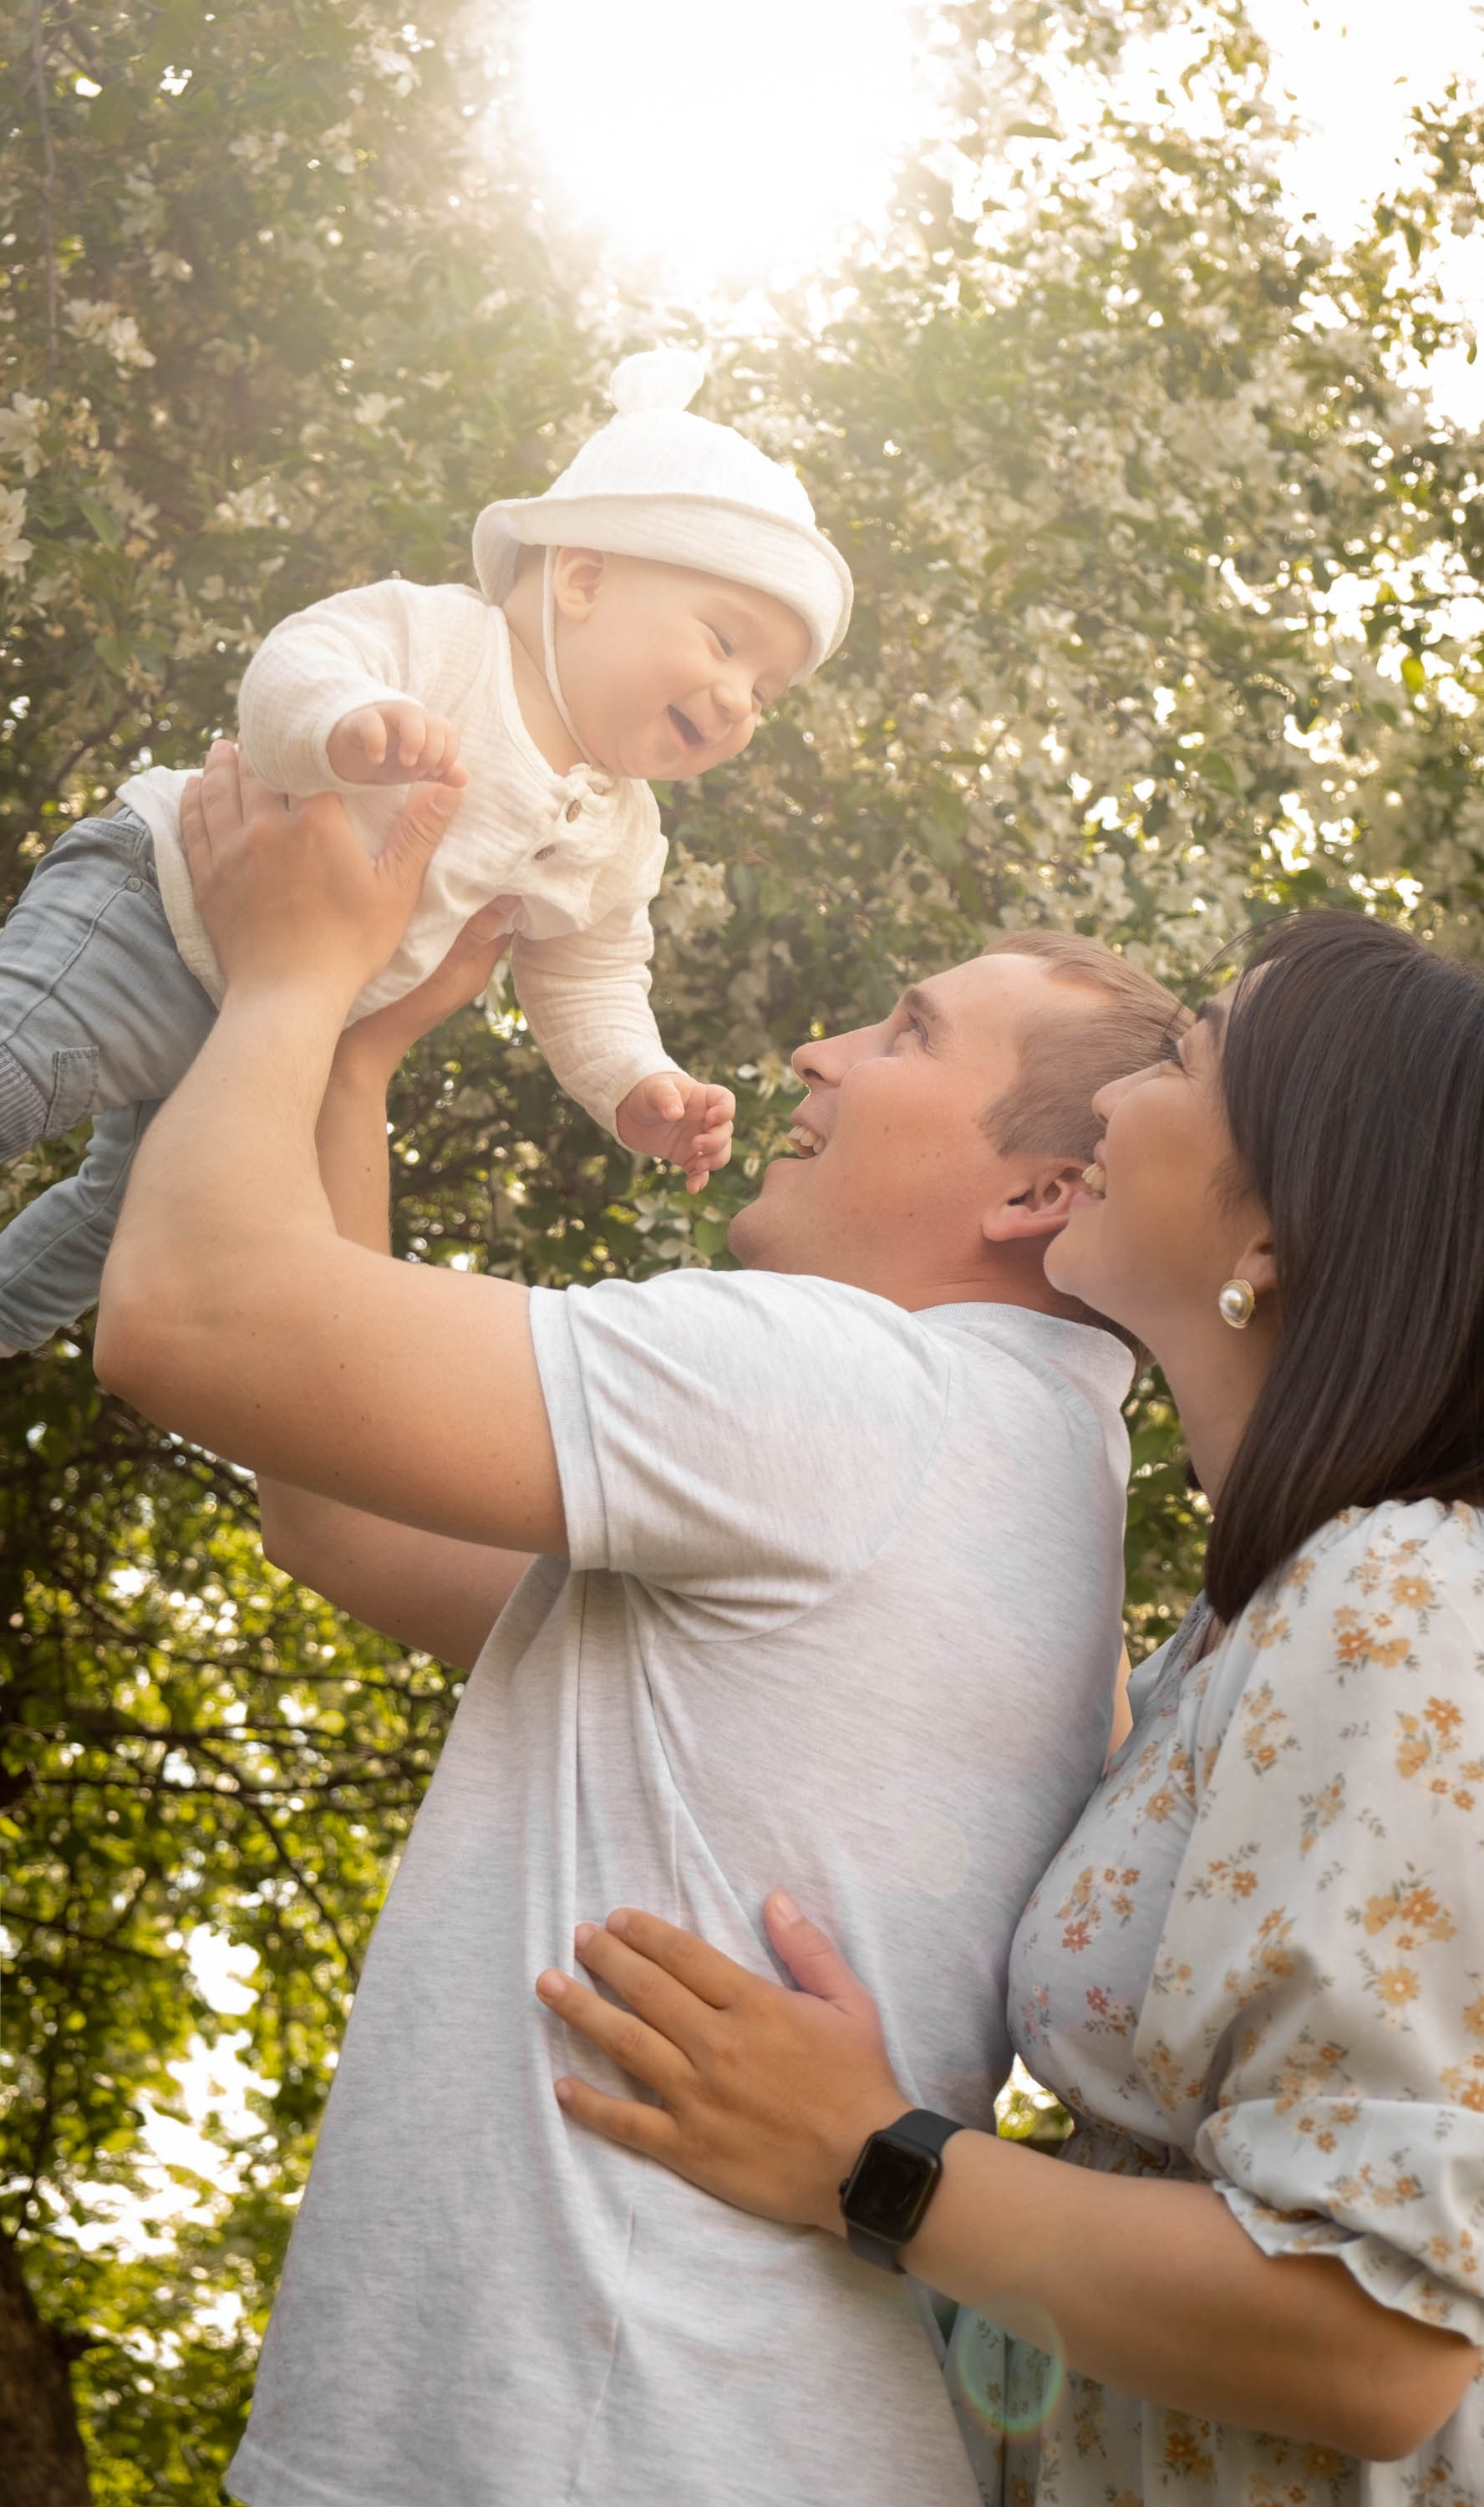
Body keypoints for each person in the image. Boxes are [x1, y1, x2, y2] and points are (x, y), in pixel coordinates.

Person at [91, 744, 1184, 2507]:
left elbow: (187, 1319)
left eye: (904, 1035)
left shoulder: (856, 1395)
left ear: (1035, 1195)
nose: (818, 1053)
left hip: (608, 2443)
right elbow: (339, 1514)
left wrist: (292, 966)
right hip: (657, 2429)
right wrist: (362, 1054)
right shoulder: (1003, 1461)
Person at [533, 910, 1484, 2506]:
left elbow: (1376, 2339)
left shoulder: (1415, 1595)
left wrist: (871, 2160)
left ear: (1270, 1232)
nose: (1123, 1096)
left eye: (1186, 1058)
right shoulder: (1257, 1619)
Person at [0, 345, 850, 1354]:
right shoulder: (447, 640)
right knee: (23, 1065)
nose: (736, 700)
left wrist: (634, 1080)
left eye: (764, 693)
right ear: (579, 578)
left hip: (268, 1038)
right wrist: (346, 719)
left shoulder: (623, 833)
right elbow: (295, 662)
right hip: (158, 909)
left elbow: (591, 976)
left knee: (116, 1227)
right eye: (723, 642)